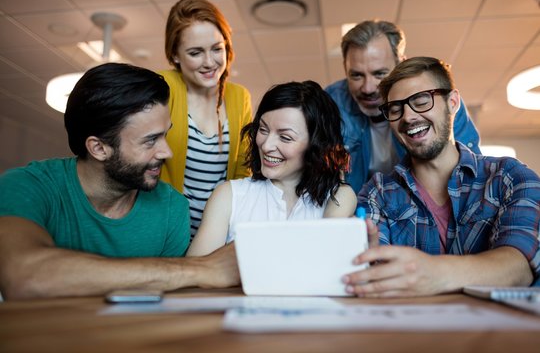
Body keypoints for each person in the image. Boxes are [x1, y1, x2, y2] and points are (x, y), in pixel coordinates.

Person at [0, 63, 239, 301]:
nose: (166, 152)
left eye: (165, 134)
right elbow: (24, 277)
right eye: (150, 140)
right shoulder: (25, 187)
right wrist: (202, 269)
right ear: (99, 148)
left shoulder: (171, 207)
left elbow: (168, 307)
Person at [343, 56, 540, 297]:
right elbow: (375, 276)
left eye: (421, 101)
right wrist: (369, 264)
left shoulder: (511, 178)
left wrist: (435, 272)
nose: (407, 117)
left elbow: (519, 266)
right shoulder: (378, 193)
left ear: (453, 102)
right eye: (395, 109)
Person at [187, 81, 357, 256]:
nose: (267, 145)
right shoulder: (229, 196)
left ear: (316, 145)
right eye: (263, 129)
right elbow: (194, 272)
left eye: (285, 137)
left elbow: (327, 256)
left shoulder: (338, 197)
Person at [325, 20, 481, 194]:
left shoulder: (439, 103)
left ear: (401, 64)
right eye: (356, 76)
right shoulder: (330, 105)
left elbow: (471, 178)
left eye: (380, 74)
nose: (368, 88)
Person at [159, 0, 252, 238]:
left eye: (216, 49)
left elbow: (244, 172)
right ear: (175, 55)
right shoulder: (162, 87)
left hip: (218, 235)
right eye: (195, 52)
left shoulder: (239, 97)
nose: (209, 62)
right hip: (166, 233)